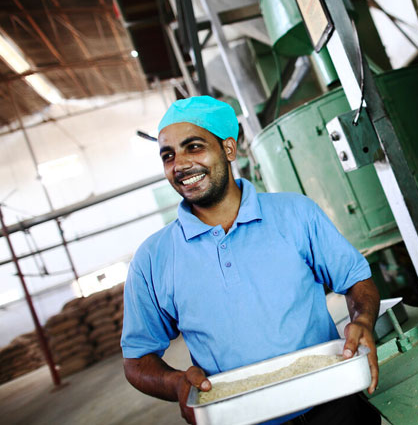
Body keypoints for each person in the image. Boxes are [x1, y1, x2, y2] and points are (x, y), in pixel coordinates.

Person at [121, 96, 381, 424]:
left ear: (229, 149)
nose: (180, 164)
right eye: (168, 155)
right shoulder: (152, 259)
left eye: (194, 147)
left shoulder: (296, 214)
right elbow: (137, 359)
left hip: (334, 405)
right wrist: (175, 383)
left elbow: (357, 280)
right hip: (240, 418)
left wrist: (362, 321)